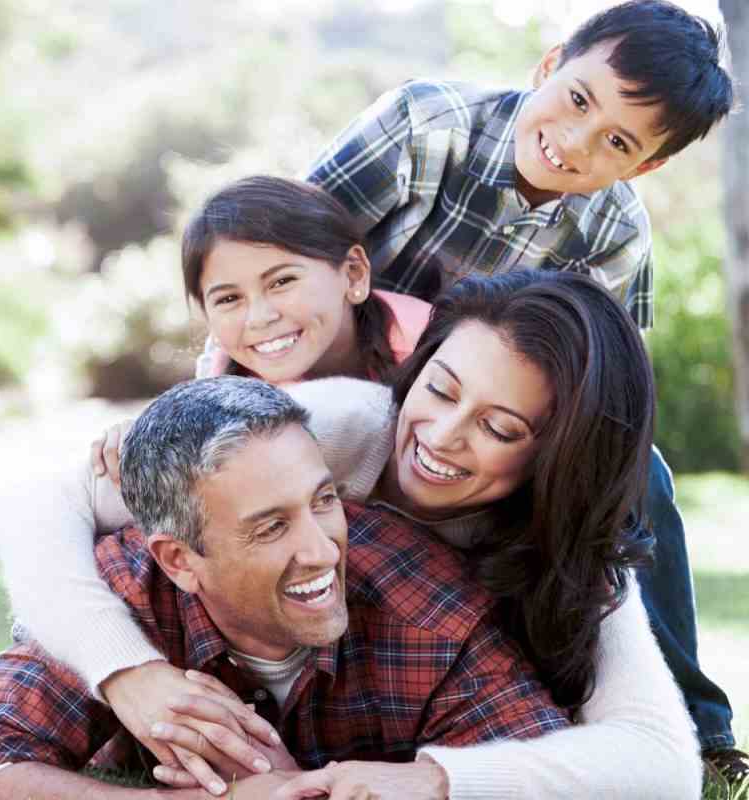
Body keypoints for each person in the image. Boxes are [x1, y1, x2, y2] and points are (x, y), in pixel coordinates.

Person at [0, 271, 702, 798]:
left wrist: (431, 781)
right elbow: (36, 500)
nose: (442, 437)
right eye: (443, 389)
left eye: (500, 427)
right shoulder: (334, 427)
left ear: (557, 457)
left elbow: (662, 764)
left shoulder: (574, 558)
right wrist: (127, 673)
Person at [303, 0, 740, 779]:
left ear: (644, 166)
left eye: (616, 141)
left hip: (492, 426)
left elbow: (604, 393)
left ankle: (692, 721)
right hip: (352, 382)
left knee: (641, 475)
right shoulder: (424, 123)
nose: (574, 142)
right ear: (547, 66)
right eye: (578, 99)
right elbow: (283, 263)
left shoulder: (615, 233)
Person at [0, 377, 570, 800]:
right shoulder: (119, 592)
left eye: (323, 501)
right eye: (270, 528)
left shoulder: (432, 611)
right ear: (181, 561)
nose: (322, 550)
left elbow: (556, 773)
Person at [178, 175, 431, 387]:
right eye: (229, 299)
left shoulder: (433, 353)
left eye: (281, 281)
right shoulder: (224, 389)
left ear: (354, 274)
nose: (259, 318)